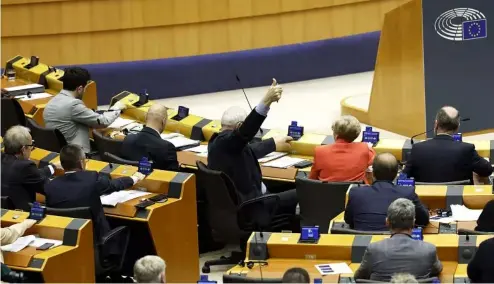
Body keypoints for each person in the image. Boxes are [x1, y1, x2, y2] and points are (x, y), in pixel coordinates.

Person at [208, 78, 297, 213]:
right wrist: (266, 101)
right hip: (254, 206)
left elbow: (248, 150)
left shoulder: (217, 143)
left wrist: (273, 143)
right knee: (303, 191)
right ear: (239, 126)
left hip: (243, 204)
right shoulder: (227, 142)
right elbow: (245, 132)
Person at [44, 144, 144, 243]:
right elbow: (115, 185)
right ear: (81, 163)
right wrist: (135, 178)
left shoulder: (51, 186)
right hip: (96, 239)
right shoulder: (92, 178)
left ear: (61, 164)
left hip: (65, 240)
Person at [354, 198, 443, 281]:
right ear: (413, 222)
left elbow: (358, 277)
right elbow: (437, 269)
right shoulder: (428, 250)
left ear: (387, 222)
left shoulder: (373, 249)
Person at [43, 67, 127, 153]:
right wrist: (116, 109)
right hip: (77, 155)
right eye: (85, 88)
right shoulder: (73, 104)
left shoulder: (52, 101)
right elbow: (103, 121)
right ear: (79, 89)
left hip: (61, 152)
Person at [403, 106, 492, 184]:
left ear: (436, 124)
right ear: (457, 127)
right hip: (458, 203)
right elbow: (487, 170)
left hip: (423, 202)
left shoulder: (417, 149)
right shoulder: (467, 149)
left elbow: (403, 178)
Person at [344, 153, 429, 231]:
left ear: (373, 173)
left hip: (362, 244)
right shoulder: (407, 192)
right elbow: (423, 220)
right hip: (396, 244)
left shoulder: (356, 193)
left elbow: (348, 220)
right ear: (396, 174)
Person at [1, 126, 59, 211]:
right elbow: (49, 189)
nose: (32, 148)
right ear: (23, 149)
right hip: (20, 215)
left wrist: (51, 167)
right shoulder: (25, 166)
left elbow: (33, 175)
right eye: (31, 145)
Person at [309, 115, 375, 184]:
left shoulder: (320, 151)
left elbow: (312, 180)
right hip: (354, 193)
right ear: (356, 134)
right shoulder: (365, 149)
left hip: (327, 193)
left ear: (336, 134)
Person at [121, 104, 179, 171]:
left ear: (146, 117)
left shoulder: (128, 139)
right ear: (163, 121)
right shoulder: (167, 147)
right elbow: (174, 177)